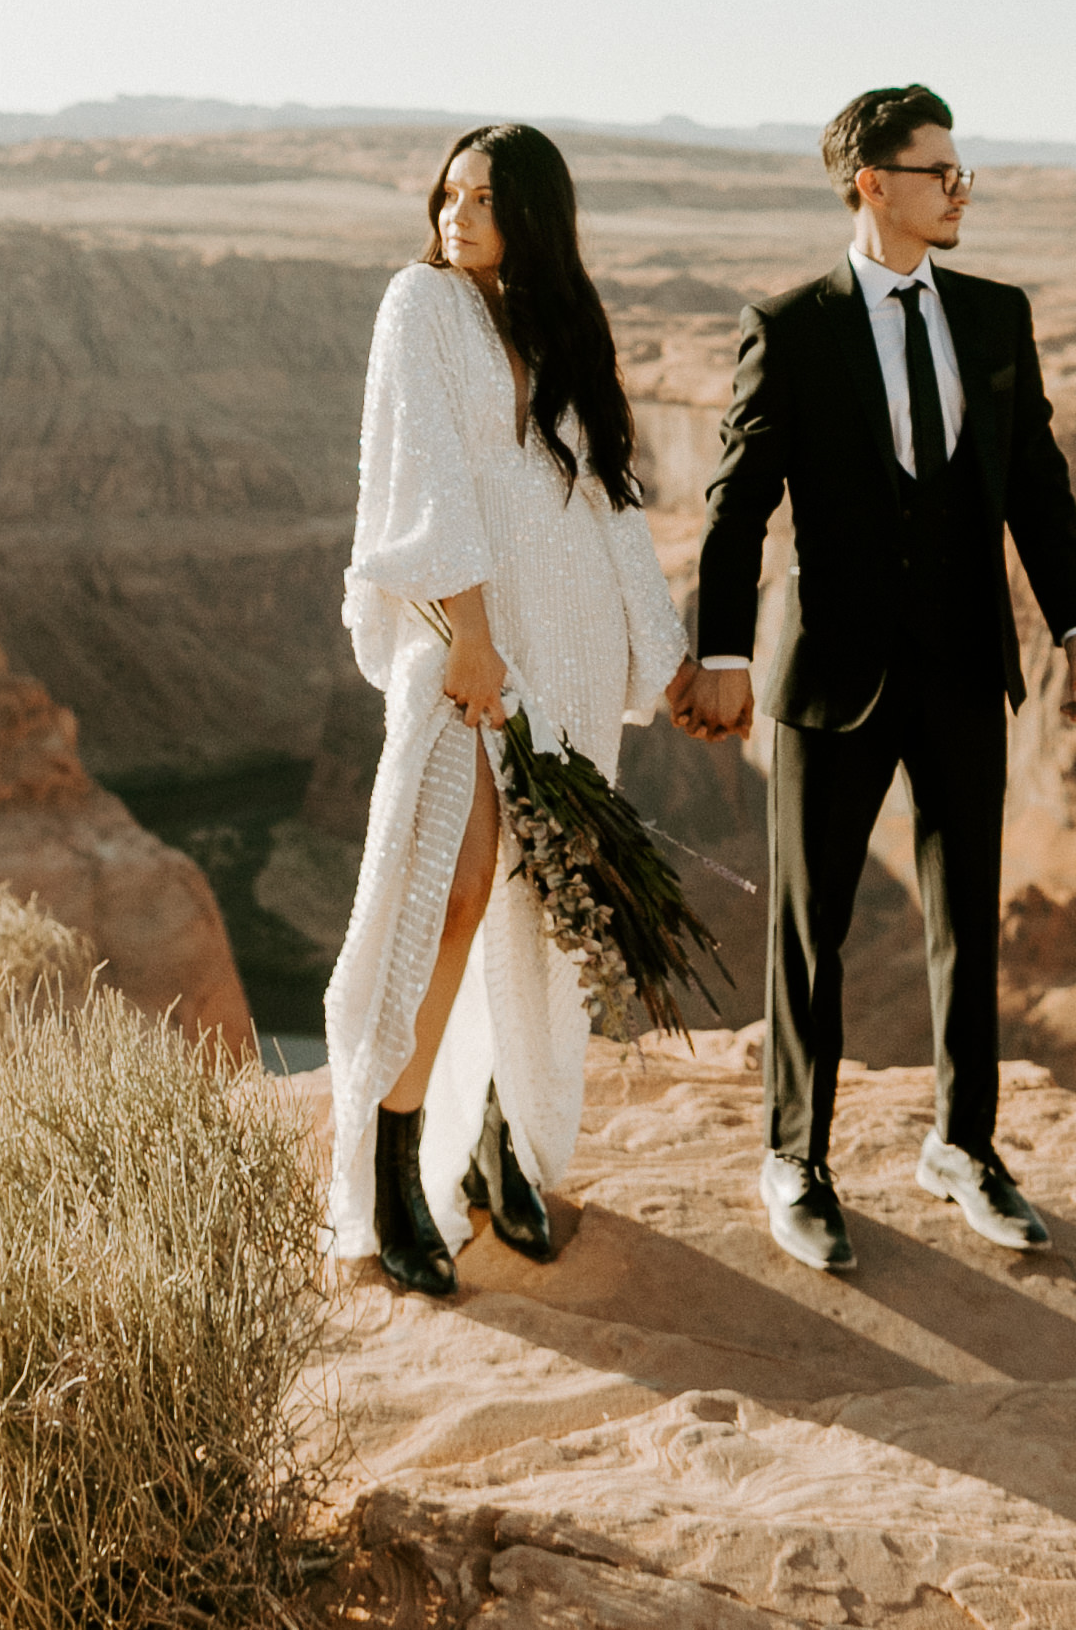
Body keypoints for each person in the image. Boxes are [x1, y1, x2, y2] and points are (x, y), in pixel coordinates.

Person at [673, 84, 1076, 1273]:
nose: (960, 190)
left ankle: (963, 1148)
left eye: (963, 172)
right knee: (808, 925)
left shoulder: (996, 316)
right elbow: (738, 503)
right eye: (940, 172)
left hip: (968, 662)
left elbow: (1038, 483)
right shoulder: (794, 324)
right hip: (833, 672)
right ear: (874, 182)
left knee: (970, 913)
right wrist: (718, 652)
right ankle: (795, 1161)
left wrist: (1075, 619)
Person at [322, 122, 698, 1297]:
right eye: (448, 192)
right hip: (476, 655)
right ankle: (390, 1162)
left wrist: (662, 655)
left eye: (484, 197)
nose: (456, 213)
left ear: (533, 213)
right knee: (451, 890)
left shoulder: (554, 322)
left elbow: (608, 505)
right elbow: (421, 471)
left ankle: (502, 1145)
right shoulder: (420, 308)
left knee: (540, 915)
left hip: (571, 656)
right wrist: (471, 636)